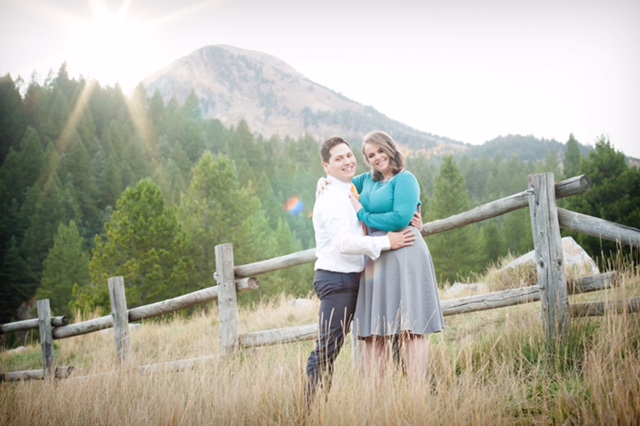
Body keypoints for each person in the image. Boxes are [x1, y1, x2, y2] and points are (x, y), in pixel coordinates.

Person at [306, 136, 418, 405]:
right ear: (326, 166)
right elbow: (343, 243)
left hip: (361, 277)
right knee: (328, 348)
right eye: (338, 158)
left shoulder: (349, 189)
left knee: (388, 334)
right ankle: (311, 411)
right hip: (338, 280)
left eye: (348, 155)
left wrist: (417, 209)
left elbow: (392, 193)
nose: (347, 161)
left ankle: (407, 399)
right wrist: (386, 242)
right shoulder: (332, 198)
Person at [350, 130, 445, 382]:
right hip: (377, 256)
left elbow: (400, 219)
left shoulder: (405, 179)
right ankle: (377, 396)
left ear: (391, 149)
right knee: (374, 331)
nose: (377, 157)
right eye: (371, 155)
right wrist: (322, 183)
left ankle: (417, 393)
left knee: (411, 327)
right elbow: (340, 182)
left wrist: (363, 214)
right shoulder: (366, 181)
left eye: (381, 150)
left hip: (405, 253)